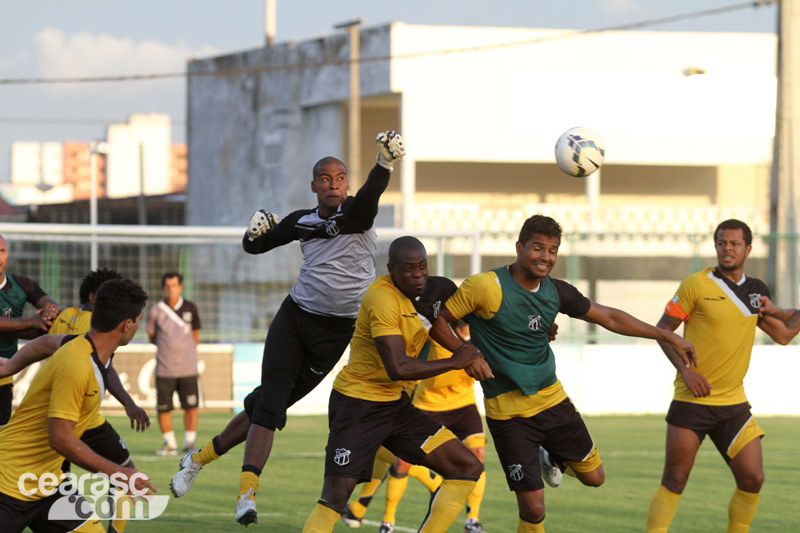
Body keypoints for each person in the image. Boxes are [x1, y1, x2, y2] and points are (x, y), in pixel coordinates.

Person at [169, 131, 407, 527]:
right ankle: (246, 495)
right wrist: (253, 231)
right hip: (294, 319)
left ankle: (197, 460)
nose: (334, 184)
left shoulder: (358, 214)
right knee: (270, 407)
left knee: (268, 404)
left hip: (335, 333)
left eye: (340, 177)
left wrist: (384, 163)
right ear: (313, 186)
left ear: (348, 183)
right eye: (325, 179)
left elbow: (369, 200)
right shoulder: (302, 221)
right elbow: (254, 247)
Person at [428, 214, 697, 533]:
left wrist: (668, 335)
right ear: (519, 247)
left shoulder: (557, 292)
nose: (545, 257)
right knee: (533, 507)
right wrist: (465, 352)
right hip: (508, 416)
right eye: (538, 248)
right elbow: (438, 321)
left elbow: (609, 317)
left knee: (594, 478)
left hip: (554, 403)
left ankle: (549, 456)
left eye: (552, 250)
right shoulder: (486, 286)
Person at [302, 236, 485, 533]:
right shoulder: (381, 297)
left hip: (394, 406)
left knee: (467, 468)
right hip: (356, 405)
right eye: (409, 269)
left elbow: (448, 319)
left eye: (422, 267)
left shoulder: (436, 290)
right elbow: (397, 367)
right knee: (335, 498)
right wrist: (456, 360)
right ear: (391, 269)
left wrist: (542, 328)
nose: (418, 275)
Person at [645, 219, 800, 533]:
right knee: (675, 479)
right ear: (715, 246)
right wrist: (686, 372)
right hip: (693, 400)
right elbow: (662, 331)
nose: (727, 249)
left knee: (753, 478)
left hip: (734, 405)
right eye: (722, 243)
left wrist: (780, 311)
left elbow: (784, 335)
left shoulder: (756, 292)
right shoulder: (696, 284)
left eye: (734, 244)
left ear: (748, 249)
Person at [0, 278, 156, 533]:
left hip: (48, 485)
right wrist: (118, 473)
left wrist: (11, 365)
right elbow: (60, 439)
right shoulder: (78, 364)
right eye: (139, 319)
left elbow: (45, 343)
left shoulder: (83, 345)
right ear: (127, 325)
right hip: (8, 483)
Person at [341, 322, 489, 533]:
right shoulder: (438, 329)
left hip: (463, 404)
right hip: (427, 402)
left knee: (477, 454)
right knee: (398, 459)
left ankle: (471, 521)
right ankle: (385, 520)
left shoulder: (484, 332)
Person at [0, 234, 64, 426]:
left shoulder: (21, 284)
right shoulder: (30, 321)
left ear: (7, 254)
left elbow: (51, 304)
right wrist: (31, 322)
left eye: (1, 251)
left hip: (3, 377)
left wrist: (51, 308)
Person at [148, 271, 202, 455]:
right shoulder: (156, 310)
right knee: (163, 408)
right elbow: (152, 336)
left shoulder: (191, 308)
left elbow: (195, 336)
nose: (171, 289)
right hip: (165, 369)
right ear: (164, 288)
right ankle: (170, 444)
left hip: (188, 368)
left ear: (181, 287)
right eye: (168, 286)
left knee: (191, 406)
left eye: (174, 285)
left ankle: (189, 444)